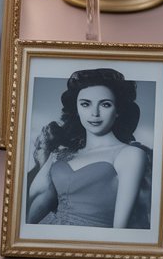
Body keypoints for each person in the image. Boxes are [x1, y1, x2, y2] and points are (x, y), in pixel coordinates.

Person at [26, 68, 151, 229]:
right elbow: (33, 203)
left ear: (118, 110)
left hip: (94, 245)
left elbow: (120, 229)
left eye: (105, 104)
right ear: (77, 109)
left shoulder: (130, 154)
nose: (94, 113)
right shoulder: (61, 155)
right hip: (49, 236)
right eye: (85, 104)